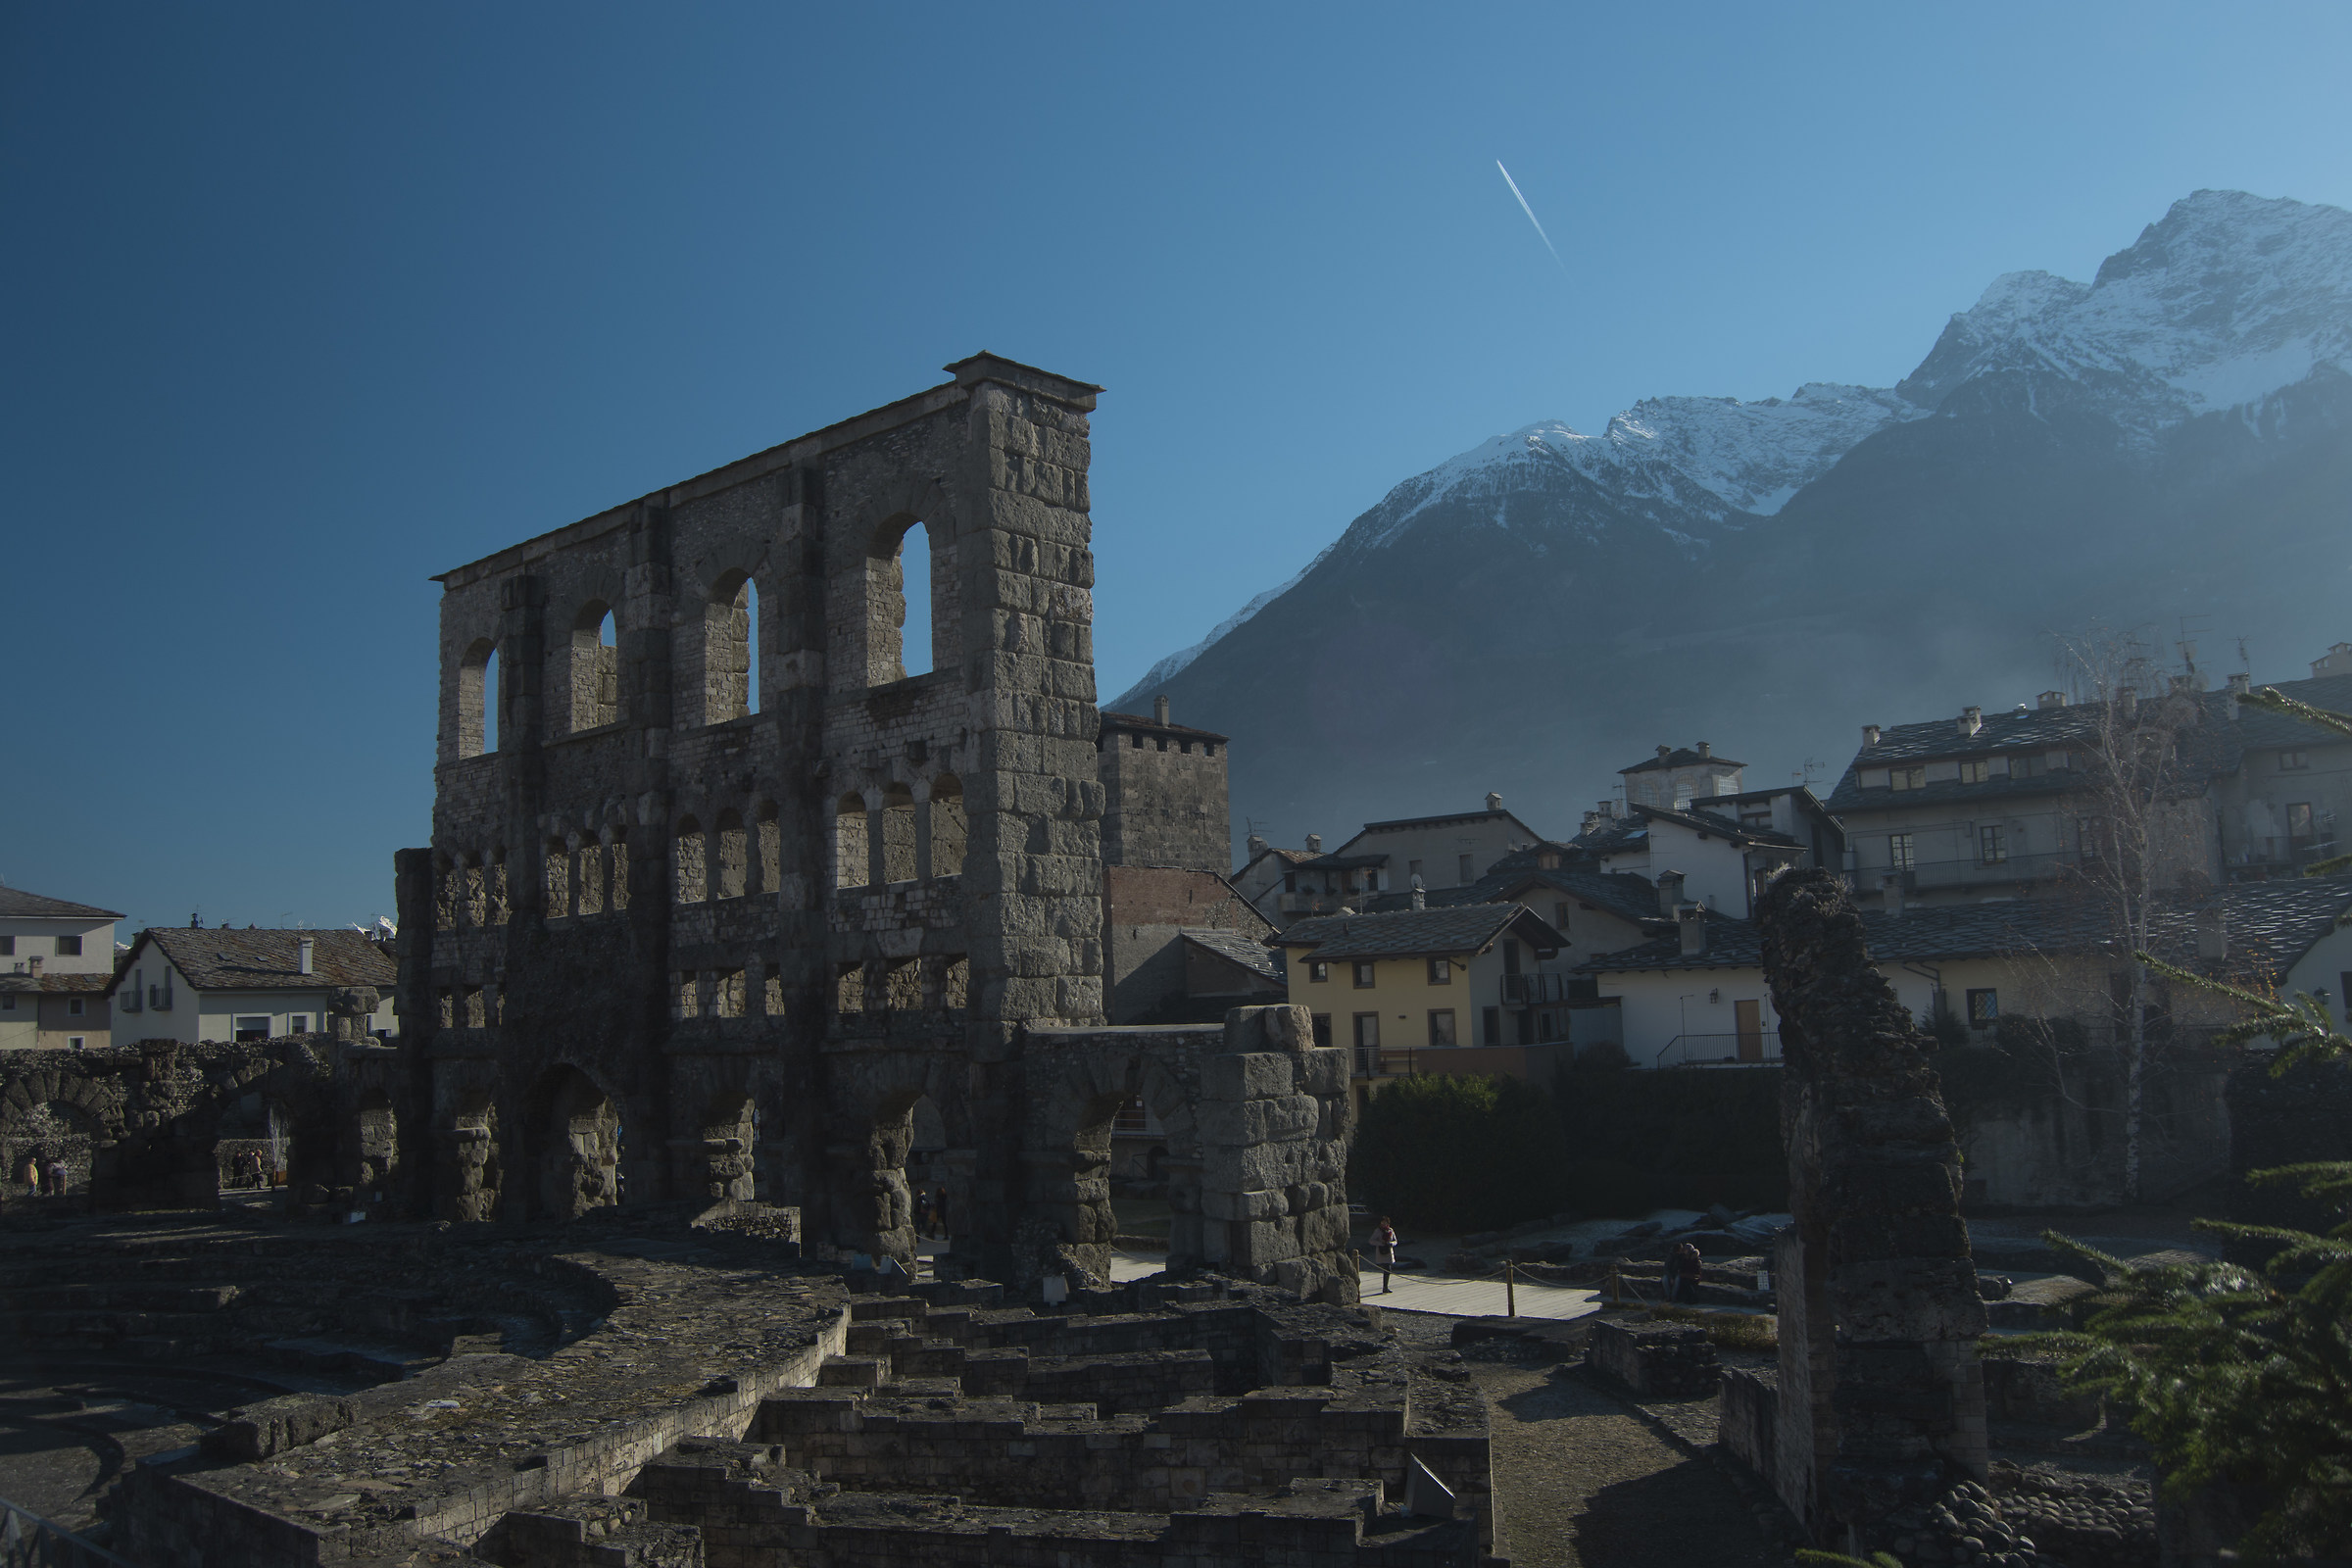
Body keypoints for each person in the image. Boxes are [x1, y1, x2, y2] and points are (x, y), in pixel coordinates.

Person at [1370, 1216, 1399, 1294]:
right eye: (1382, 1222)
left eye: (1385, 1222)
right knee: (1386, 1268)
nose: (1383, 1224)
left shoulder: (1390, 1230)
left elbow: (1395, 1241)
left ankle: (1385, 1287)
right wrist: (1380, 1243)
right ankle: (1385, 1287)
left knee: (1388, 1269)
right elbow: (1371, 1241)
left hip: (1389, 1251)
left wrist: (1391, 1243)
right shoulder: (1378, 1231)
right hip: (1381, 1251)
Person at [1672, 1239, 1702, 1304]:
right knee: (1683, 1282)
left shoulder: (1695, 1259)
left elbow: (1696, 1272)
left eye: (1686, 1250)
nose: (1684, 1251)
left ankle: (1692, 1299)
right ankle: (1686, 1299)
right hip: (1686, 1276)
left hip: (1693, 1277)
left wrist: (1684, 1274)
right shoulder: (1685, 1258)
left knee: (1687, 1283)